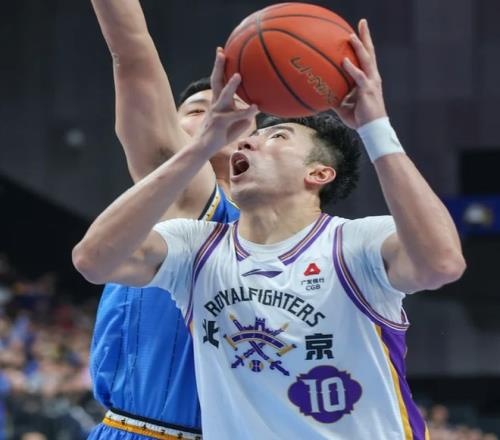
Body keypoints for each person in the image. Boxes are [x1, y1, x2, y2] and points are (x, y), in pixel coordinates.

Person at [74, 19, 466, 439]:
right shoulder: (195, 245)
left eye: (274, 134)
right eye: (199, 113)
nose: (245, 137)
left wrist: (376, 127)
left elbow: (442, 263)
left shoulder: (355, 243)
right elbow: (92, 260)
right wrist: (202, 146)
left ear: (318, 172)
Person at [88, 1, 253, 438]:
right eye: (198, 111)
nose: (218, 114)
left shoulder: (297, 236)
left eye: (232, 110)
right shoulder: (189, 193)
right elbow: (133, 55)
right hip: (147, 429)